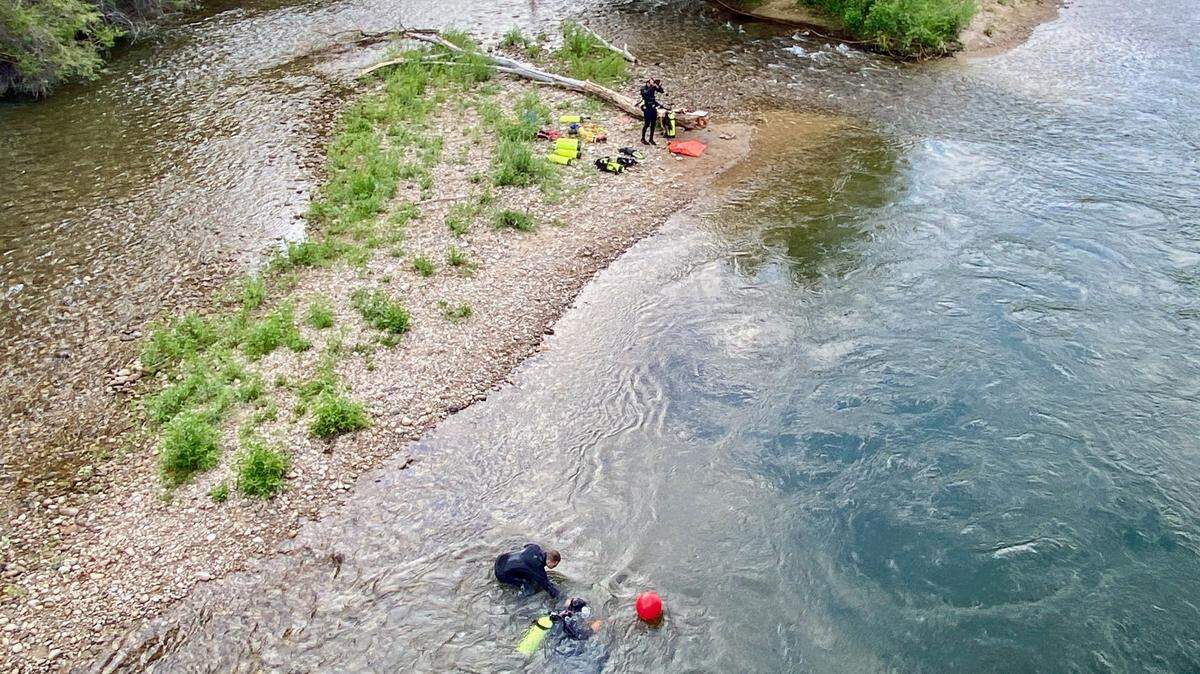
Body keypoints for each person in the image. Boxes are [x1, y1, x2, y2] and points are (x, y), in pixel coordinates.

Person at [494, 543, 561, 598]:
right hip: (501, 573)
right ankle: (520, 602)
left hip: (501, 558)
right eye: (554, 565)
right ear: (550, 561)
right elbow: (548, 588)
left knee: (527, 571)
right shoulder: (537, 567)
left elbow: (526, 545)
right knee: (529, 587)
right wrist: (561, 598)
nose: (555, 567)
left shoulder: (535, 547)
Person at [639, 78, 665, 145]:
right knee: (647, 123)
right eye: (651, 83)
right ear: (647, 82)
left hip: (653, 106)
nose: (652, 84)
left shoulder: (653, 87)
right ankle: (643, 138)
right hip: (646, 107)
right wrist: (652, 87)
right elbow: (645, 94)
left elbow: (661, 91)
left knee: (653, 123)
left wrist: (658, 86)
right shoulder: (643, 88)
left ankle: (651, 139)